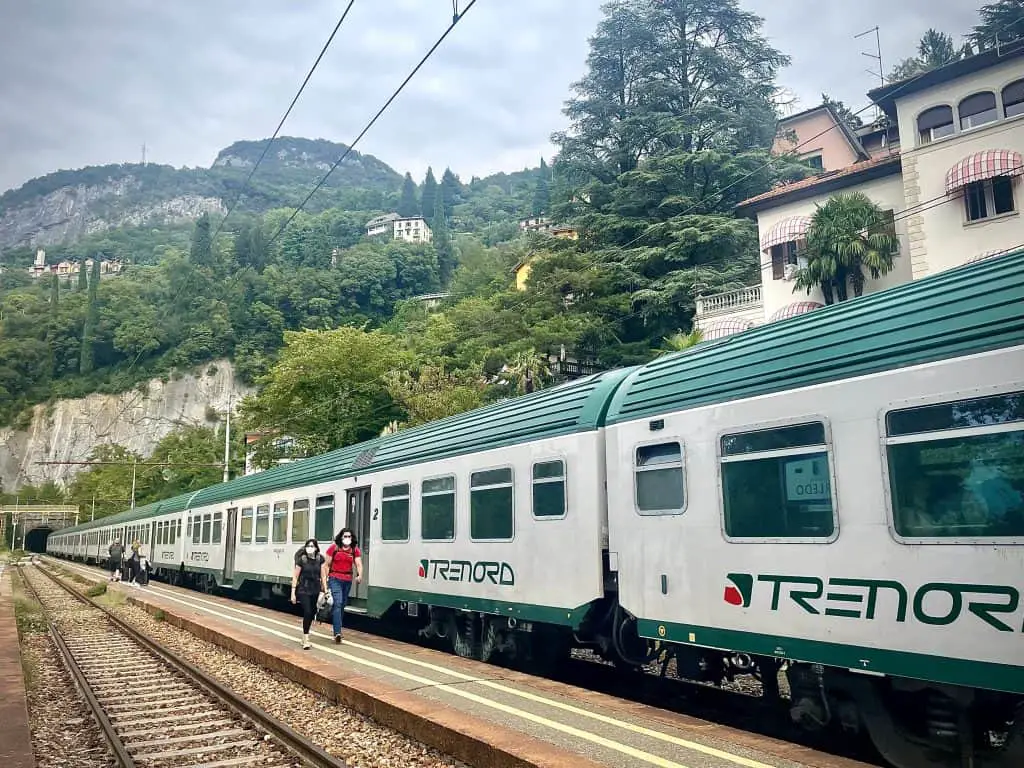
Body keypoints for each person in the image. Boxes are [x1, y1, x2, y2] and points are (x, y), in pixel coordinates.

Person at [322, 528, 362, 643]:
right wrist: (325, 581)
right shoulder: (333, 548)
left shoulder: (354, 550)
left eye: (349, 536)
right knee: (338, 603)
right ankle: (337, 633)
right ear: (341, 537)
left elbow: (358, 563)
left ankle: (338, 629)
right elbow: (326, 565)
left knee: (342, 604)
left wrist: (360, 575)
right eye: (345, 536)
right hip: (335, 579)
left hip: (347, 580)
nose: (347, 539)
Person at [291, 538, 327, 650]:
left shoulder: (320, 559)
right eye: (308, 545)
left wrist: (325, 589)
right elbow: (295, 576)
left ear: (316, 548)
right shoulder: (302, 560)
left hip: (315, 589)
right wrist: (293, 592)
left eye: (312, 546)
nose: (310, 548)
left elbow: (323, 575)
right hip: (303, 589)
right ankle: (306, 638)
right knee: (307, 611)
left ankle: (305, 635)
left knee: (312, 612)